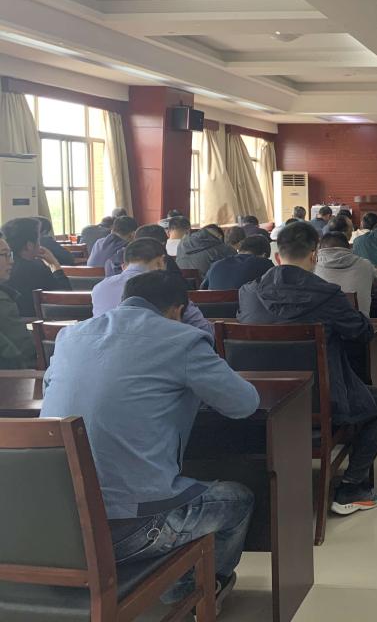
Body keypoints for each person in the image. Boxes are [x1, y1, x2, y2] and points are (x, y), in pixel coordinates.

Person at [41, 270, 259, 610]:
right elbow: (244, 404)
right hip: (131, 530)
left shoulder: (70, 336)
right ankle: (192, 593)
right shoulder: (182, 339)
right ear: (178, 310)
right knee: (238, 499)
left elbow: (50, 393)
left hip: (57, 526)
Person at [238, 222, 377, 515]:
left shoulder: (248, 292)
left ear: (277, 256)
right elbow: (362, 333)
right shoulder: (327, 295)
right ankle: (351, 487)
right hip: (320, 401)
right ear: (314, 255)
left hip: (257, 401)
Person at [92, 238, 214, 338]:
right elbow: (205, 330)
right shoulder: (165, 286)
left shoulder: (99, 288)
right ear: (161, 262)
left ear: (125, 265)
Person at [2, 216, 72, 316]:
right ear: (29, 245)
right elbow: (66, 300)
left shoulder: (4, 268)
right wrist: (54, 265)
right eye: (39, 240)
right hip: (37, 324)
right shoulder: (38, 269)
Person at [315, 231, 377, 316]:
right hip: (359, 323)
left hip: (321, 323)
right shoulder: (366, 265)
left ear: (319, 248)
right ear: (349, 247)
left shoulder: (311, 269)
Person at [0, 229, 35, 369]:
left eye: (11, 255)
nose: (12, 261)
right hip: (16, 376)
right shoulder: (2, 300)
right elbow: (25, 349)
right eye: (5, 255)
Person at [203, 236, 274, 291]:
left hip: (213, 305)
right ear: (264, 255)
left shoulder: (216, 264)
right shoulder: (265, 263)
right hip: (245, 305)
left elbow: (203, 289)